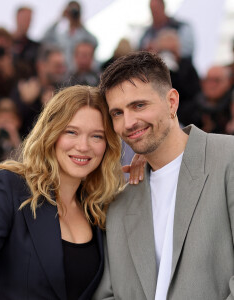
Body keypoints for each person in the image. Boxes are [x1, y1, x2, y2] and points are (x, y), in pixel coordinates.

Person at [0, 85, 125, 300]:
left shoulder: (98, 206)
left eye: (97, 136)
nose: (83, 146)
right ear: (51, 133)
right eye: (71, 132)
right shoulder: (8, 187)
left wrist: (144, 169)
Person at [93, 51, 234, 299]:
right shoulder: (120, 198)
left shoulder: (227, 159)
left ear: (171, 102)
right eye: (117, 113)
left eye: (139, 105)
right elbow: (108, 293)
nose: (128, 123)